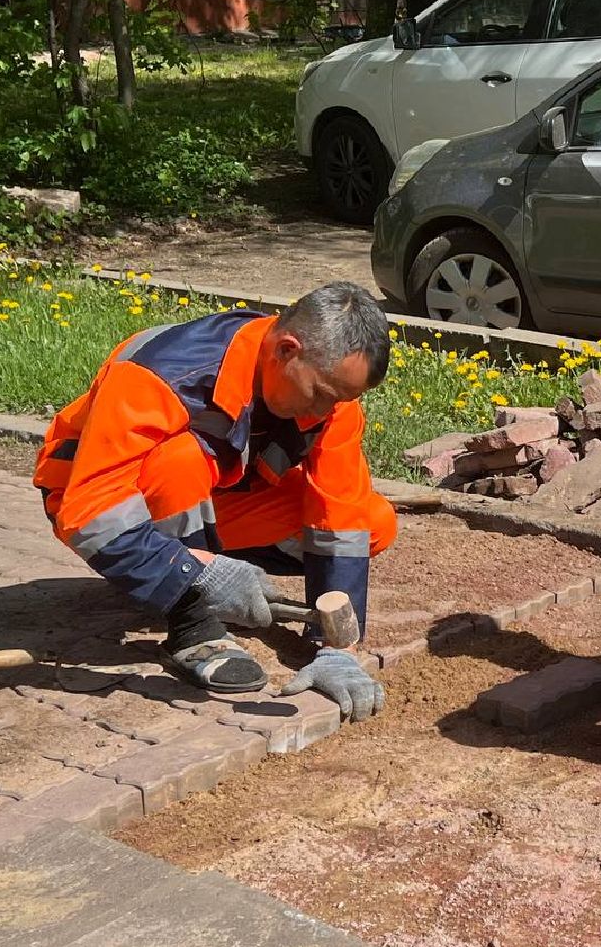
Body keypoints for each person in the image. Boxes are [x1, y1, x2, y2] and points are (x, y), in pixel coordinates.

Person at [33, 281, 395, 720]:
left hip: (213, 498)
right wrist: (197, 574)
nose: (325, 411)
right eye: (320, 394)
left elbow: (340, 515)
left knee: (373, 520)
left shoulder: (332, 399)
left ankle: (195, 569)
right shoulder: (160, 371)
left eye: (340, 399)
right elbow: (89, 511)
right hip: (97, 495)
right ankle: (192, 625)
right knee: (179, 460)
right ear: (286, 350)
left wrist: (336, 648)